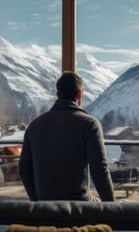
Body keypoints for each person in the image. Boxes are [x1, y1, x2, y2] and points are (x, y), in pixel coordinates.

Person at [18, 71, 115, 202]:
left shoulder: (34, 126)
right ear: (79, 94)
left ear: (57, 95)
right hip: (80, 205)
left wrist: (36, 200)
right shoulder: (89, 124)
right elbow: (99, 169)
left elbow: (24, 168)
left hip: (45, 205)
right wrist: (111, 207)